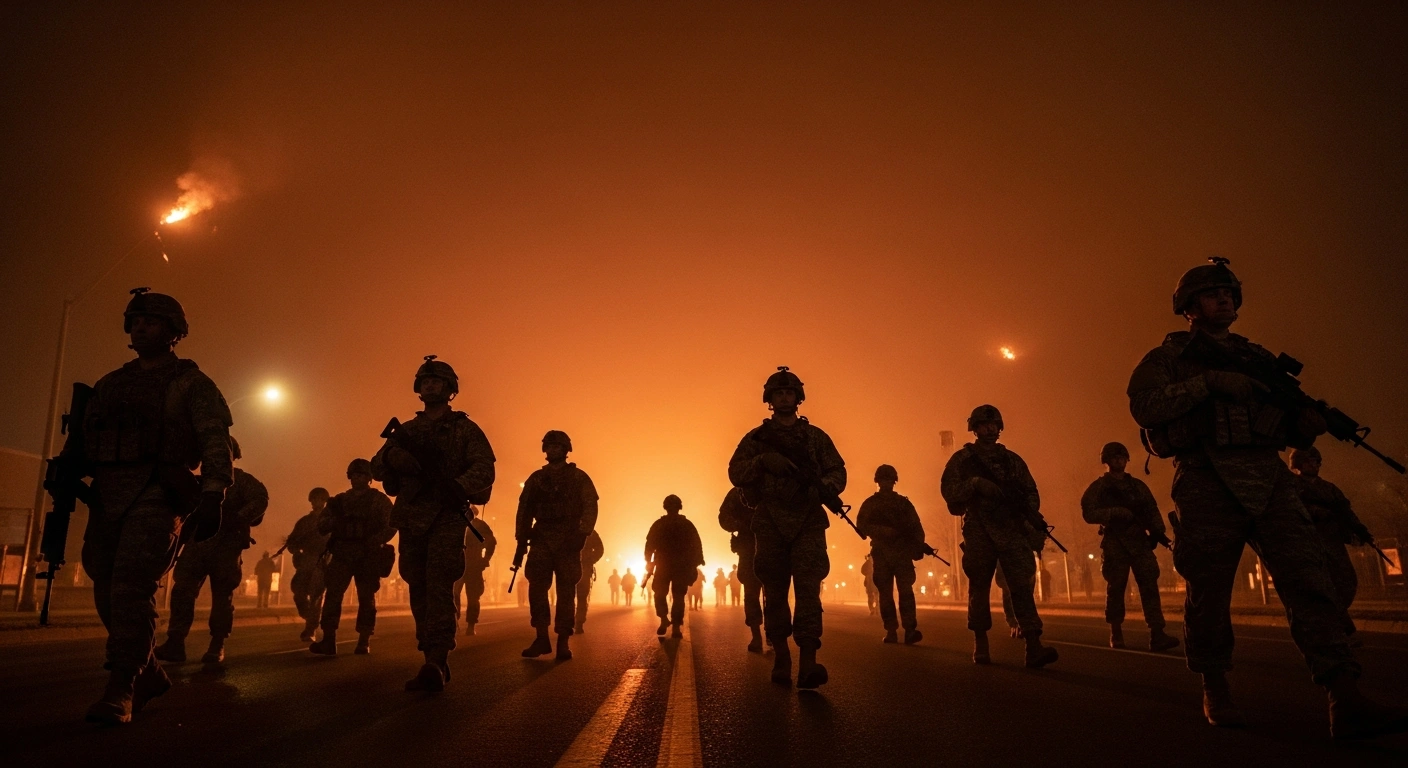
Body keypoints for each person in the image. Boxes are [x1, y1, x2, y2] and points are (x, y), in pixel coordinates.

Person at [1129, 257, 1406, 737]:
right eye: (1212, 293)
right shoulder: (1168, 358)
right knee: (1208, 592)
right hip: (1206, 479)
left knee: (1310, 583)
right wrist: (1209, 383)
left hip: (1268, 477)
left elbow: (1286, 421)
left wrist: (1308, 426)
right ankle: (1215, 687)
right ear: (1189, 307)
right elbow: (1145, 405)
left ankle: (1345, 696)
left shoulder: (1256, 358)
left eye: (1229, 293)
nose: (1224, 300)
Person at [77, 288, 233, 724]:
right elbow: (86, 439)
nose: (142, 327)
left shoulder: (190, 382)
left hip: (157, 491)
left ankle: (122, 684)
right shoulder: (111, 383)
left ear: (173, 331)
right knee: (105, 588)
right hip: (108, 494)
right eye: (136, 320)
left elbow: (214, 437)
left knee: (131, 588)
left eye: (152, 320)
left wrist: (214, 492)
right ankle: (148, 670)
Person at [371, 355, 496, 692]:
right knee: (417, 586)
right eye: (425, 381)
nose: (429, 385)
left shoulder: (464, 429)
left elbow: (485, 469)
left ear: (449, 388)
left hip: (445, 517)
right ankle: (429, 651)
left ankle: (436, 660)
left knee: (440, 586)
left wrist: (458, 486)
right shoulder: (407, 431)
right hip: (412, 519)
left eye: (437, 381)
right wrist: (394, 457)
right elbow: (377, 466)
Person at [728, 366, 845, 688]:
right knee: (775, 593)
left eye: (789, 392)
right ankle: (781, 655)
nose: (784, 397)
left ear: (798, 398)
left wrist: (821, 487)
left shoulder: (815, 438)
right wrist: (763, 462)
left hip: (807, 521)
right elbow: (736, 472)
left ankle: (809, 660)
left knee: (809, 592)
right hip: (770, 522)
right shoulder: (756, 439)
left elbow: (837, 472)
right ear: (769, 398)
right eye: (778, 393)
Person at [941, 404, 1058, 669]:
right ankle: (980, 643)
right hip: (980, 529)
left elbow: (1030, 492)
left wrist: (1027, 516)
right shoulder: (963, 460)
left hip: (1010, 529)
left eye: (994, 425)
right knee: (979, 587)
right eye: (984, 425)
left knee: (1021, 586)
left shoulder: (1012, 460)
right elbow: (950, 493)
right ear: (975, 428)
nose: (990, 429)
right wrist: (976, 485)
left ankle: (1033, 644)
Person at [155, 435, 267, 666]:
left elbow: (260, 500)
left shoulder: (243, 482)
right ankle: (175, 642)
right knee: (183, 591)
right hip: (196, 544)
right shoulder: (196, 482)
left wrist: (236, 519)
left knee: (222, 598)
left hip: (226, 546)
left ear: (232, 457)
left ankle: (217, 644)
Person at [1081, 441, 1179, 651]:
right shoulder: (1099, 487)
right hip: (1115, 543)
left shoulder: (1137, 486)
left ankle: (1157, 632)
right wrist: (1113, 513)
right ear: (1106, 461)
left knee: (1150, 585)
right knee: (1116, 588)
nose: (1120, 461)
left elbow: (1152, 510)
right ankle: (1115, 631)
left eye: (1122, 457)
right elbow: (1088, 512)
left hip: (1139, 542)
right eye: (1115, 458)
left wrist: (1159, 533)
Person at [514, 430, 598, 661]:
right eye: (549, 446)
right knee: (537, 589)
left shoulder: (579, 478)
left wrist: (581, 534)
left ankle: (563, 641)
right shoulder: (536, 479)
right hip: (541, 539)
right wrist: (521, 538)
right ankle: (541, 637)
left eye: (557, 447)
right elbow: (524, 510)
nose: (552, 450)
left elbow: (590, 507)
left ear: (566, 450)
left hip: (568, 541)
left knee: (566, 592)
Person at [1290, 446, 1374, 646]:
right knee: (1322, 589)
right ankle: (1340, 632)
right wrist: (1315, 512)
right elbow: (1290, 509)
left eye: (1318, 461)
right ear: (1300, 463)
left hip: (1332, 542)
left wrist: (1360, 530)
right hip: (1307, 544)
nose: (1317, 464)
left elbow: (1345, 511)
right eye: (1312, 460)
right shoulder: (1291, 487)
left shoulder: (1329, 488)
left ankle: (1333, 625)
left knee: (1347, 583)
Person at [310, 459, 395, 656]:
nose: (357, 479)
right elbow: (322, 526)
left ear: (369, 478)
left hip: (367, 554)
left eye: (362, 475)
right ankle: (329, 640)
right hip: (342, 554)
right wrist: (336, 523)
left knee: (366, 598)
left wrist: (375, 540)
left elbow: (392, 524)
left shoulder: (378, 501)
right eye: (354, 475)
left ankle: (364, 640)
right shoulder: (338, 501)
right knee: (332, 597)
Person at [856, 464, 925, 645]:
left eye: (889, 480)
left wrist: (917, 547)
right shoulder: (871, 504)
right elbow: (862, 527)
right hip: (882, 554)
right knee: (886, 594)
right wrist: (882, 531)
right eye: (883, 480)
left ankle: (910, 629)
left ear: (894, 482)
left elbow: (916, 528)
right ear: (878, 482)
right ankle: (891, 630)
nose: (886, 483)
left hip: (901, 553)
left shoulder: (903, 504)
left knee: (906, 593)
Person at [644, 495, 704, 638]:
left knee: (664, 594)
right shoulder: (687, 525)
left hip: (668, 565)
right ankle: (672, 624)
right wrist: (695, 563)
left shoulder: (659, 524)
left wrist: (649, 561)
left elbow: (649, 545)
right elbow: (697, 545)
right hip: (677, 566)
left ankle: (669, 622)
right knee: (674, 596)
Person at [719, 487, 764, 651]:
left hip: (771, 546)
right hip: (750, 549)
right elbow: (724, 518)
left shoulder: (777, 480)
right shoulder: (739, 490)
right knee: (752, 595)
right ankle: (757, 635)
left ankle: (771, 635)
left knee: (773, 596)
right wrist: (743, 526)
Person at [287, 488, 331, 641]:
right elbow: (292, 541)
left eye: (320, 499)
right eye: (314, 499)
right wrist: (296, 552)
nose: (316, 502)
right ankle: (309, 618)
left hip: (323, 562)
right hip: (306, 561)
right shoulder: (304, 522)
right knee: (299, 592)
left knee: (316, 596)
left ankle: (310, 628)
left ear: (325, 501)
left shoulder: (331, 521)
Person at [453, 516, 496, 635]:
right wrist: (485, 559)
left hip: (469, 564)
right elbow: (491, 542)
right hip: (461, 564)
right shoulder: (478, 524)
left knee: (470, 596)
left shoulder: (478, 525)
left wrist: (485, 559)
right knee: (456, 594)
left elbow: (491, 542)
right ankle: (458, 623)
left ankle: (468, 625)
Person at [575, 529, 604, 634]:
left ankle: (575, 623)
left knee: (577, 597)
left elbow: (599, 549)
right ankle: (577, 623)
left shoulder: (588, 530)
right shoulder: (589, 530)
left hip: (577, 568)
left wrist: (590, 560)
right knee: (580, 597)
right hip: (579, 568)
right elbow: (599, 549)